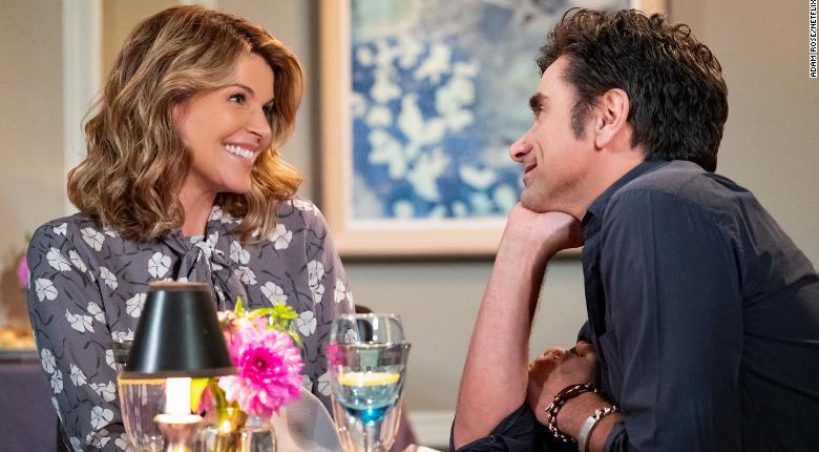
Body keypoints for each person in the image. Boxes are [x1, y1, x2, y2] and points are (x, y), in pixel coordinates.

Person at [452, 8, 819, 452]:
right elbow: (484, 443)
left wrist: (575, 409)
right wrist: (523, 242)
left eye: (541, 113)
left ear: (608, 115)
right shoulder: (653, 214)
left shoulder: (658, 204)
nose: (519, 147)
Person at [26, 6, 354, 450]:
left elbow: (339, 418)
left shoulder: (299, 231)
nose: (261, 128)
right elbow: (101, 440)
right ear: (168, 100)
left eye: (266, 108)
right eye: (238, 98)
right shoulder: (70, 252)